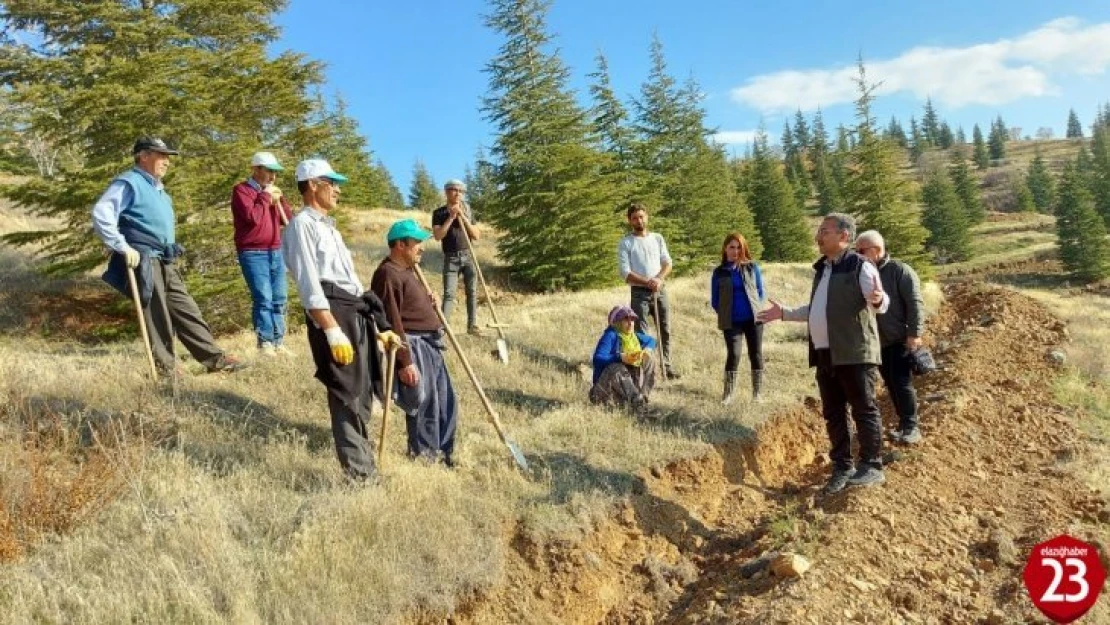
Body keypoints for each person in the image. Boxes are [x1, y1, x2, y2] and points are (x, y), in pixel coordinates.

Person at [281, 158, 401, 481]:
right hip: (332, 312)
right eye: (330, 182)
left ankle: (367, 467)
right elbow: (309, 283)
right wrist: (330, 329)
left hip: (354, 311)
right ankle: (360, 476)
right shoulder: (300, 226)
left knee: (361, 390)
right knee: (345, 390)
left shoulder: (329, 229)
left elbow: (352, 282)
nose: (337, 189)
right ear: (311, 185)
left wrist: (380, 327)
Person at [93, 136, 247, 377]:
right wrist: (122, 247)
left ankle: (214, 359)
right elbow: (102, 213)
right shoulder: (129, 182)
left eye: (167, 157)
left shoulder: (159, 190)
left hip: (164, 259)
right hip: (142, 258)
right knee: (156, 313)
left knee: (186, 309)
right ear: (143, 156)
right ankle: (167, 368)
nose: (167, 162)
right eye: (161, 156)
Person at [758, 213, 890, 493]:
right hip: (826, 354)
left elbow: (878, 300)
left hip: (854, 352)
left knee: (864, 409)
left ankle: (872, 465)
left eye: (824, 231)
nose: (818, 236)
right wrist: (784, 313)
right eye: (819, 230)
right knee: (833, 413)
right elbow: (818, 310)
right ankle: (843, 467)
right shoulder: (824, 269)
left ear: (844, 236)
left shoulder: (860, 266)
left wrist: (880, 300)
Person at [371, 218, 460, 467]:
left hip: (430, 344)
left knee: (446, 400)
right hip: (413, 345)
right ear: (400, 244)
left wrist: (428, 300)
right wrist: (405, 361)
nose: (421, 247)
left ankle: (444, 453)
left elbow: (410, 305)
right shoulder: (387, 274)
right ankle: (425, 459)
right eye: (416, 242)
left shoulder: (408, 271)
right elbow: (391, 320)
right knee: (425, 405)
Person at [855, 230, 925, 445]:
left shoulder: (900, 271)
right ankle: (904, 425)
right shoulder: (862, 273)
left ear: (875, 251)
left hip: (898, 339)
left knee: (902, 383)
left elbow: (915, 304)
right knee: (891, 384)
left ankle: (911, 426)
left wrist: (914, 334)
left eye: (861, 251)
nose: (857, 255)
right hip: (876, 342)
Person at [230, 151, 293, 356]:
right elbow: (253, 218)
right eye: (269, 171)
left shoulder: (272, 192)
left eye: (275, 172)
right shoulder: (242, 191)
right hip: (253, 252)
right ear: (256, 169)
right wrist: (265, 196)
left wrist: (280, 200)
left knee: (280, 297)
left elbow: (287, 220)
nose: (273, 177)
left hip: (275, 250)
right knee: (263, 297)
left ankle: (278, 341)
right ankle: (265, 342)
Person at [618, 202, 680, 379]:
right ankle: (647, 370)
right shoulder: (626, 243)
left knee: (665, 328)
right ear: (630, 220)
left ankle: (666, 366)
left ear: (647, 217)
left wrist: (658, 279)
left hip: (660, 290)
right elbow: (625, 273)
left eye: (641, 216)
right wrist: (648, 282)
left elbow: (668, 262)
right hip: (639, 293)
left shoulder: (657, 238)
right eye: (635, 218)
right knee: (642, 333)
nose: (639, 220)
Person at [710, 232, 765, 403]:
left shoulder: (751, 267)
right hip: (731, 322)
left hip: (753, 320)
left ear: (744, 248)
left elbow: (760, 292)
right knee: (733, 354)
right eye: (731, 247)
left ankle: (757, 394)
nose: (735, 251)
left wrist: (756, 309)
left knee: (755, 354)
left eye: (739, 247)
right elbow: (715, 300)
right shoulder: (719, 272)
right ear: (725, 249)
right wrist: (726, 313)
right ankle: (728, 395)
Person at [431, 179, 482, 336]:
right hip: (451, 258)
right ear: (447, 192)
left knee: (472, 291)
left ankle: (472, 326)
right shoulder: (439, 213)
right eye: (455, 190)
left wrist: (463, 217)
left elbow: (476, 235)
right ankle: (444, 328)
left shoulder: (468, 209)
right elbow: (438, 236)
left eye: (461, 191)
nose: (458, 193)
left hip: (468, 255)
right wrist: (451, 217)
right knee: (449, 294)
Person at [589, 305, 657, 410]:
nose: (630, 323)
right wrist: (620, 357)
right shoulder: (610, 335)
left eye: (632, 320)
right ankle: (638, 404)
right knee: (616, 367)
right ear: (617, 322)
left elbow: (651, 340)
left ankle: (643, 397)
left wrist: (647, 350)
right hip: (603, 392)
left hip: (625, 392)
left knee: (649, 358)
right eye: (626, 320)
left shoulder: (633, 337)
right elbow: (597, 358)